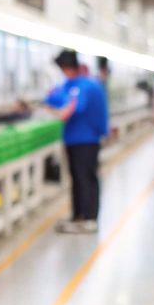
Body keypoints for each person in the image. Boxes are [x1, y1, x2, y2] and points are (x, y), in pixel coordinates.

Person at [45, 49, 108, 232]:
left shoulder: (86, 86)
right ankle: (77, 215)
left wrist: (58, 112)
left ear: (68, 67)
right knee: (76, 179)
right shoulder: (70, 84)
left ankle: (89, 218)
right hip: (73, 140)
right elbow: (54, 96)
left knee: (86, 178)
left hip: (86, 141)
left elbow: (71, 109)